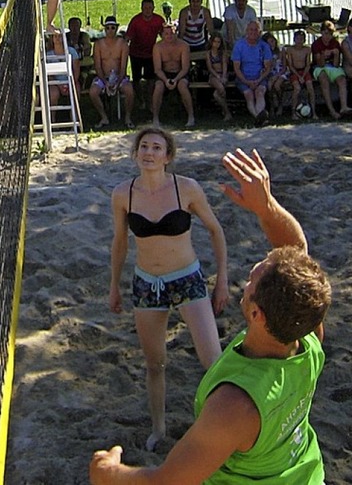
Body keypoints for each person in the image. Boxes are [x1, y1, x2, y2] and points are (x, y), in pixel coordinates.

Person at [91, 147, 331, 485]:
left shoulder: (234, 405)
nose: (249, 274)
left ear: (256, 313)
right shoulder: (306, 339)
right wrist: (266, 207)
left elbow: (169, 481)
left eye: (253, 280)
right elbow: (297, 253)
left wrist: (109, 473)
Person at [109, 128, 228, 452]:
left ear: (168, 156)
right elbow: (120, 243)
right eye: (144, 146)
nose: (149, 152)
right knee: (154, 364)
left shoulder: (186, 188)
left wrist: (222, 282)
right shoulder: (123, 194)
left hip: (188, 279)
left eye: (156, 147)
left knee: (213, 362)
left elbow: (216, 232)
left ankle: (221, 425)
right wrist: (114, 287)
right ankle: (159, 430)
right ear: (135, 153)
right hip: (147, 284)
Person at [89, 16, 134, 129]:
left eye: (113, 27)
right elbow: (98, 66)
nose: (110, 30)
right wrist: (105, 82)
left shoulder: (123, 44)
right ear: (104, 29)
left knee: (129, 90)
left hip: (119, 76)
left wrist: (117, 83)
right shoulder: (98, 44)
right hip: (103, 77)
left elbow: (123, 66)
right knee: (93, 92)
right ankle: (103, 117)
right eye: (107, 27)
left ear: (116, 28)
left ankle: (128, 117)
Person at [125, 0, 165, 113]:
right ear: (141, 8)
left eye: (150, 8)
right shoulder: (136, 21)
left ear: (153, 8)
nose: (147, 10)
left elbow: (165, 35)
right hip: (135, 53)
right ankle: (140, 100)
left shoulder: (158, 20)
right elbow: (127, 38)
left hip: (151, 54)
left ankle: (150, 101)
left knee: (151, 79)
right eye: (145, 8)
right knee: (136, 79)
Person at [152, 23, 195, 128]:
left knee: (182, 86)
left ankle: (191, 116)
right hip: (164, 73)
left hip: (180, 73)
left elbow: (185, 68)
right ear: (162, 35)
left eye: (172, 33)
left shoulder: (183, 46)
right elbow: (157, 69)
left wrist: (175, 79)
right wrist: (166, 80)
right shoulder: (157, 47)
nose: (169, 36)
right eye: (166, 34)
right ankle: (155, 117)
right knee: (158, 86)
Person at [231, 21, 273, 125]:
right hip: (243, 77)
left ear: (259, 32)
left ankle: (259, 118)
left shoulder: (264, 46)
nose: (253, 32)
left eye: (256, 30)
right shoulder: (239, 45)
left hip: (260, 76)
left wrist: (258, 80)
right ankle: (259, 118)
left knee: (260, 92)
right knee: (249, 95)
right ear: (246, 31)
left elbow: (268, 68)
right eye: (251, 29)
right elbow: (236, 68)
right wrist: (246, 81)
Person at [311, 19, 351, 119]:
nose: (327, 36)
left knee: (341, 79)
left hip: (332, 66)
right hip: (319, 67)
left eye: (330, 34)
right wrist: (323, 56)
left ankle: (343, 107)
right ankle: (331, 110)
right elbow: (319, 64)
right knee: (324, 80)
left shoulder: (335, 43)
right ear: (321, 33)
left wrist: (336, 54)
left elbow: (336, 65)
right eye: (325, 33)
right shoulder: (316, 44)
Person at [286, 29, 317, 119]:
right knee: (297, 88)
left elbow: (308, 64)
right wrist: (299, 76)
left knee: (310, 87)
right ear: (294, 39)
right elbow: (290, 65)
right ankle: (293, 112)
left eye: (301, 39)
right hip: (294, 71)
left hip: (304, 71)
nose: (299, 41)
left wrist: (303, 76)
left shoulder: (307, 49)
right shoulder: (290, 49)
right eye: (297, 39)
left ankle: (314, 112)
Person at [205, 31, 232, 120]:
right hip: (213, 75)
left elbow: (224, 65)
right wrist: (217, 76)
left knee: (216, 95)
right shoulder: (208, 54)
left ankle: (226, 112)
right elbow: (210, 68)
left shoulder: (223, 53)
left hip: (223, 74)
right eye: (215, 42)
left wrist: (223, 76)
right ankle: (227, 112)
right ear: (211, 42)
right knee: (220, 88)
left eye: (218, 42)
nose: (217, 44)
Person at [262, 31, 288, 118]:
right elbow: (267, 67)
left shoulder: (281, 50)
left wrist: (277, 75)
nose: (271, 44)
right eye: (268, 43)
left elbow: (284, 67)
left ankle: (280, 104)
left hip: (281, 72)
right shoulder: (265, 53)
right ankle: (272, 106)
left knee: (277, 85)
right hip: (270, 72)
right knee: (269, 85)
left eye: (272, 41)